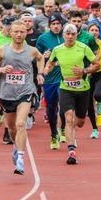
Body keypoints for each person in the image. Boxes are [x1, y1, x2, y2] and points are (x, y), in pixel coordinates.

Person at [0, 21, 44, 175]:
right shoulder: (2, 51)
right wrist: (1, 69)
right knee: (12, 129)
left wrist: (40, 73)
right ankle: (15, 145)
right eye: (16, 32)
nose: (19, 35)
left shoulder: (32, 51)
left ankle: (20, 158)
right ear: (10, 33)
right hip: (6, 94)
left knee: (20, 124)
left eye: (22, 32)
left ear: (26, 33)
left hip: (25, 92)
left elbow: (40, 58)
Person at [43, 23, 99, 165]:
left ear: (76, 35)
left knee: (79, 122)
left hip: (83, 89)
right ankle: (71, 151)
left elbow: (96, 64)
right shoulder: (57, 49)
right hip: (65, 88)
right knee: (68, 118)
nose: (69, 36)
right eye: (67, 34)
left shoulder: (83, 48)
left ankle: (73, 130)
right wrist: (46, 70)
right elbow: (50, 63)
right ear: (63, 35)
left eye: (72, 34)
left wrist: (84, 71)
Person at [36, 14, 66, 149]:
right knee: (51, 109)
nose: (56, 26)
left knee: (64, 106)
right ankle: (54, 134)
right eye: (53, 24)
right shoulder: (43, 39)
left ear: (62, 25)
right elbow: (36, 58)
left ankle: (64, 129)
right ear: (49, 25)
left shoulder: (67, 37)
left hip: (65, 78)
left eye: (58, 24)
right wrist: (43, 57)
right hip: (49, 79)